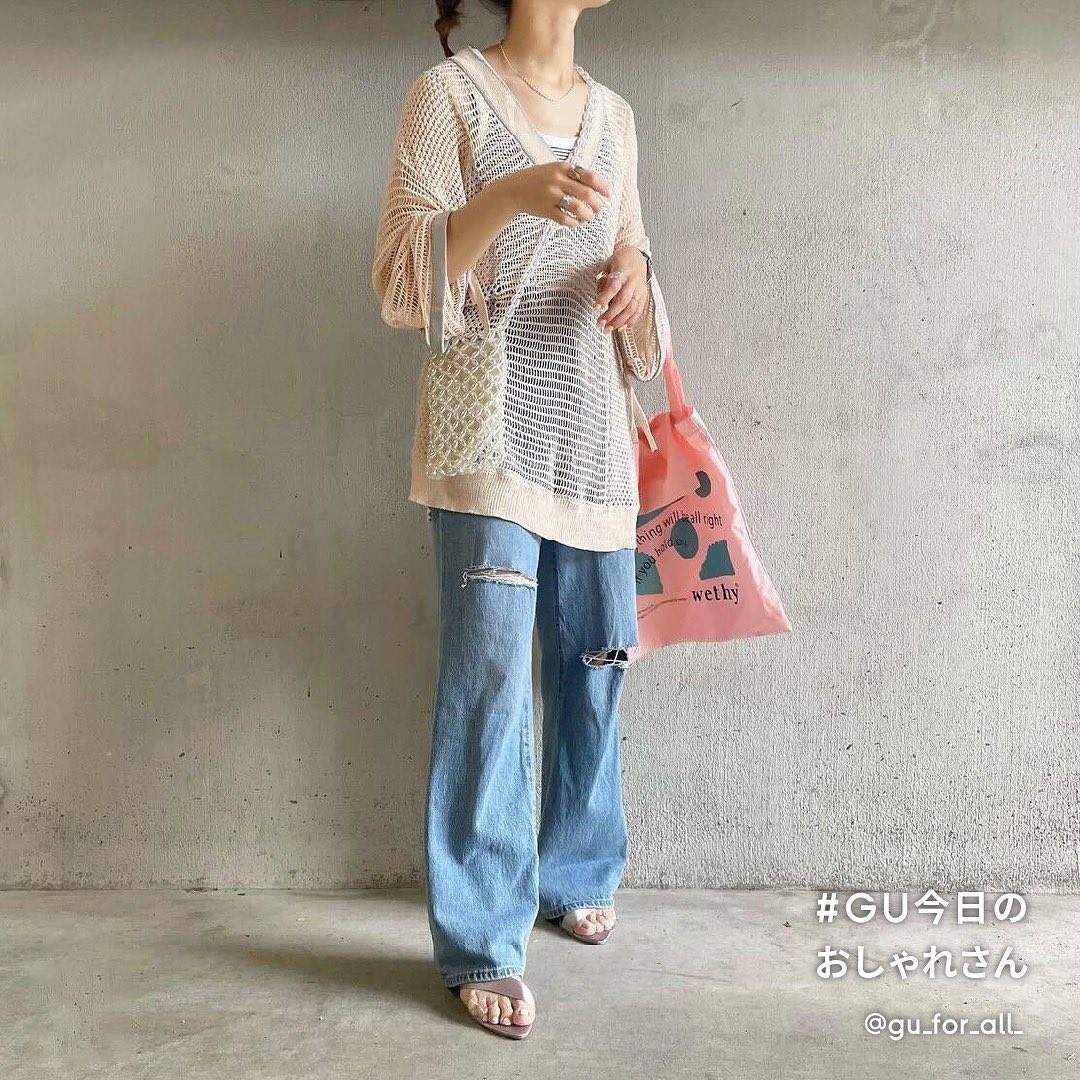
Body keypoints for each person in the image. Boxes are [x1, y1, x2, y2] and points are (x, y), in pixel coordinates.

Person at [371, 0, 667, 1040]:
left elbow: (632, 254)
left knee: (598, 661)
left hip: (593, 436)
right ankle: (481, 940)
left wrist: (636, 276)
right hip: (488, 434)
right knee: (490, 682)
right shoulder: (448, 95)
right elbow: (401, 275)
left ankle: (578, 869)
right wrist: (507, 197)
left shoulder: (615, 117)